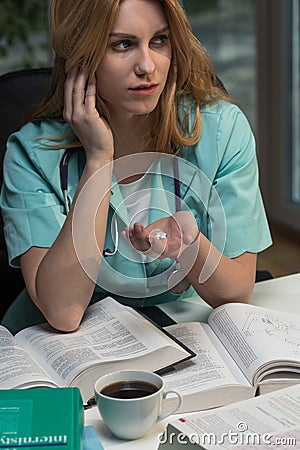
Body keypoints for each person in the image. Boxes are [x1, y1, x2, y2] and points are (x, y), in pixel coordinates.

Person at [0, 0, 272, 334]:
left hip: (179, 333)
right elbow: (63, 313)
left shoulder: (222, 130)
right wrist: (99, 160)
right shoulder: (31, 153)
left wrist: (190, 244)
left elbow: (236, 291)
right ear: (80, 54)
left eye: (159, 40)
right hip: (63, 352)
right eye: (122, 45)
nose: (147, 66)